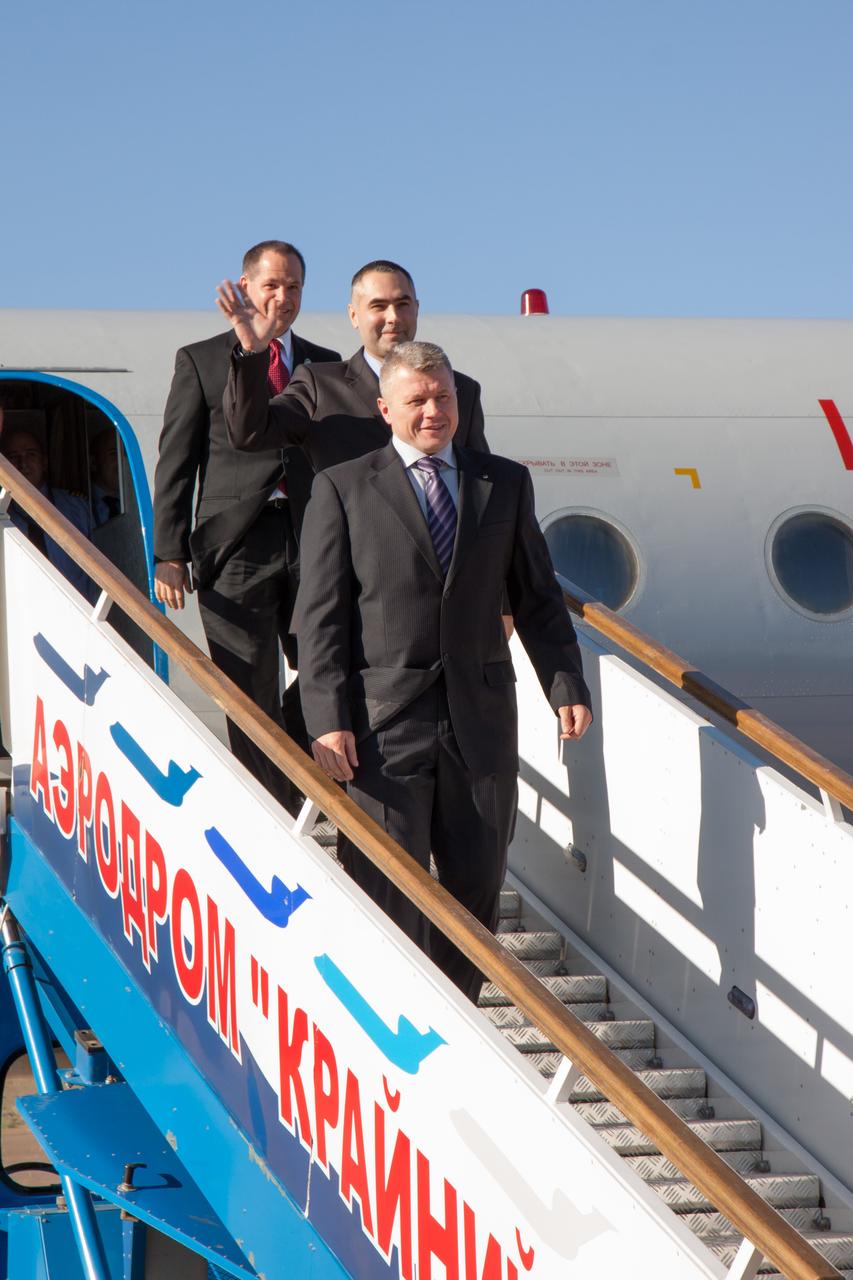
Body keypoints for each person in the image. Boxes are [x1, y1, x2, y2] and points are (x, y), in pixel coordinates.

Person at [292, 342, 592, 1002]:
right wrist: (327, 719)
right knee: (386, 881)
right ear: (384, 409)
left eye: (444, 398)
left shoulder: (503, 483)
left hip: (479, 720)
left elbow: (536, 596)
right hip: (382, 722)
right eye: (418, 400)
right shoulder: (342, 486)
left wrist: (563, 683)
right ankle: (396, 1011)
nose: (433, 412)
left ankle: (452, 1014)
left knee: (478, 886)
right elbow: (319, 618)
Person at [153, 241, 341, 810]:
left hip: (315, 541)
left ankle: (289, 770)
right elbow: (177, 460)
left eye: (294, 288)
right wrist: (169, 551)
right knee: (247, 686)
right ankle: (269, 809)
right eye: (272, 286)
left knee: (331, 672)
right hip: (234, 547)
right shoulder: (201, 359)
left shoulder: (326, 364)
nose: (283, 298)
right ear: (246, 286)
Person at [217, 259, 488, 468]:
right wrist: (253, 354)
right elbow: (249, 435)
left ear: (416, 309)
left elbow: (480, 479)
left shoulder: (461, 390)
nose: (393, 317)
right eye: (378, 306)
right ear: (354, 315)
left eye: (402, 304)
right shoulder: (319, 386)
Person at [3, 429, 95, 599]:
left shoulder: (78, 509)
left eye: (31, 454)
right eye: (13, 457)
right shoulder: (3, 513)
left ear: (44, 462)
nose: (23, 463)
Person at [90, 428, 121, 525]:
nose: (121, 461)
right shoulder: (78, 506)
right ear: (93, 463)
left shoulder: (136, 503)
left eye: (124, 454)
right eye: (114, 454)